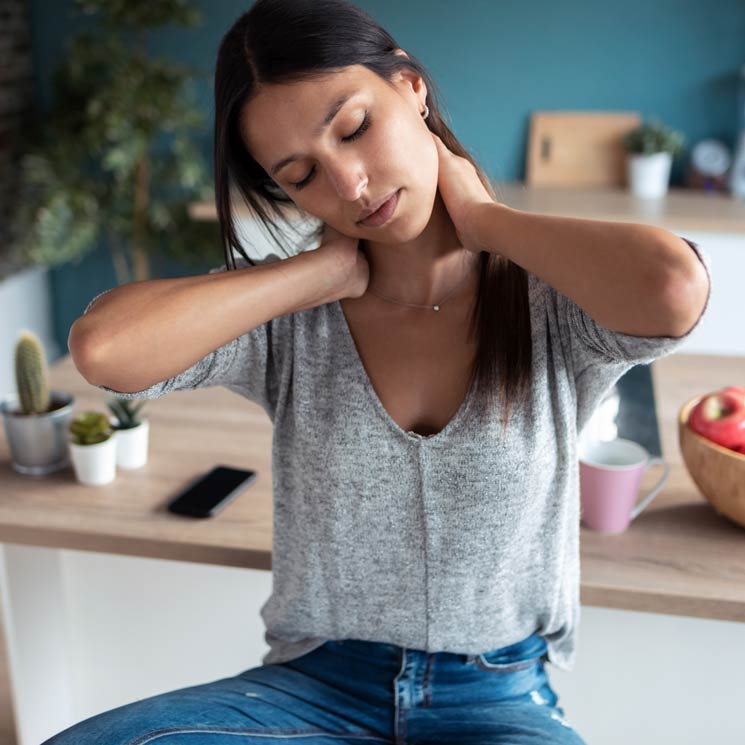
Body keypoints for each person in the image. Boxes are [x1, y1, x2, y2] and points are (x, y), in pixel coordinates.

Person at [48, 1, 712, 743]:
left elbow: (674, 290)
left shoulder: (547, 295)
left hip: (494, 697)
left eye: (354, 127)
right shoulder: (291, 321)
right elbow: (104, 348)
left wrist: (487, 221)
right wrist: (317, 274)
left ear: (411, 86)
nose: (351, 184)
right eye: (301, 176)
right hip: (310, 690)